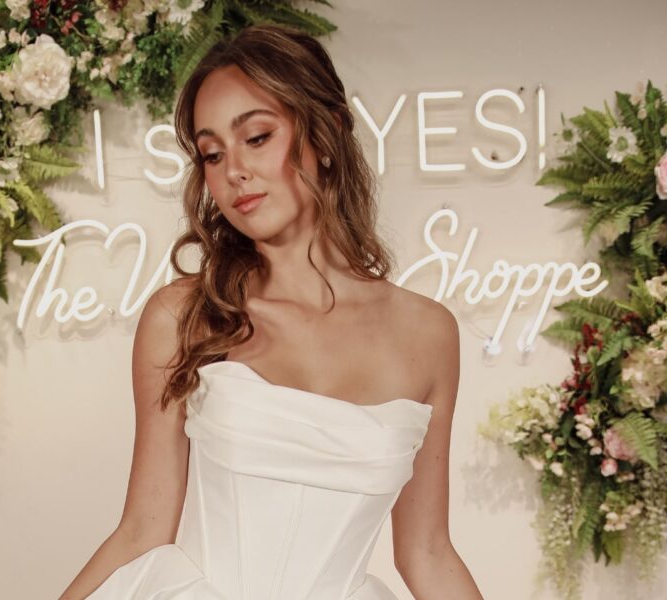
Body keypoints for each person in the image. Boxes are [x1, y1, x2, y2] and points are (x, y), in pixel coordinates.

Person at [60, 23, 483, 600]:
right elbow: (141, 530)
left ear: (326, 135)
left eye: (256, 137)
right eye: (212, 153)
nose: (232, 171)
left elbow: (428, 552)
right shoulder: (184, 317)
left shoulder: (428, 334)